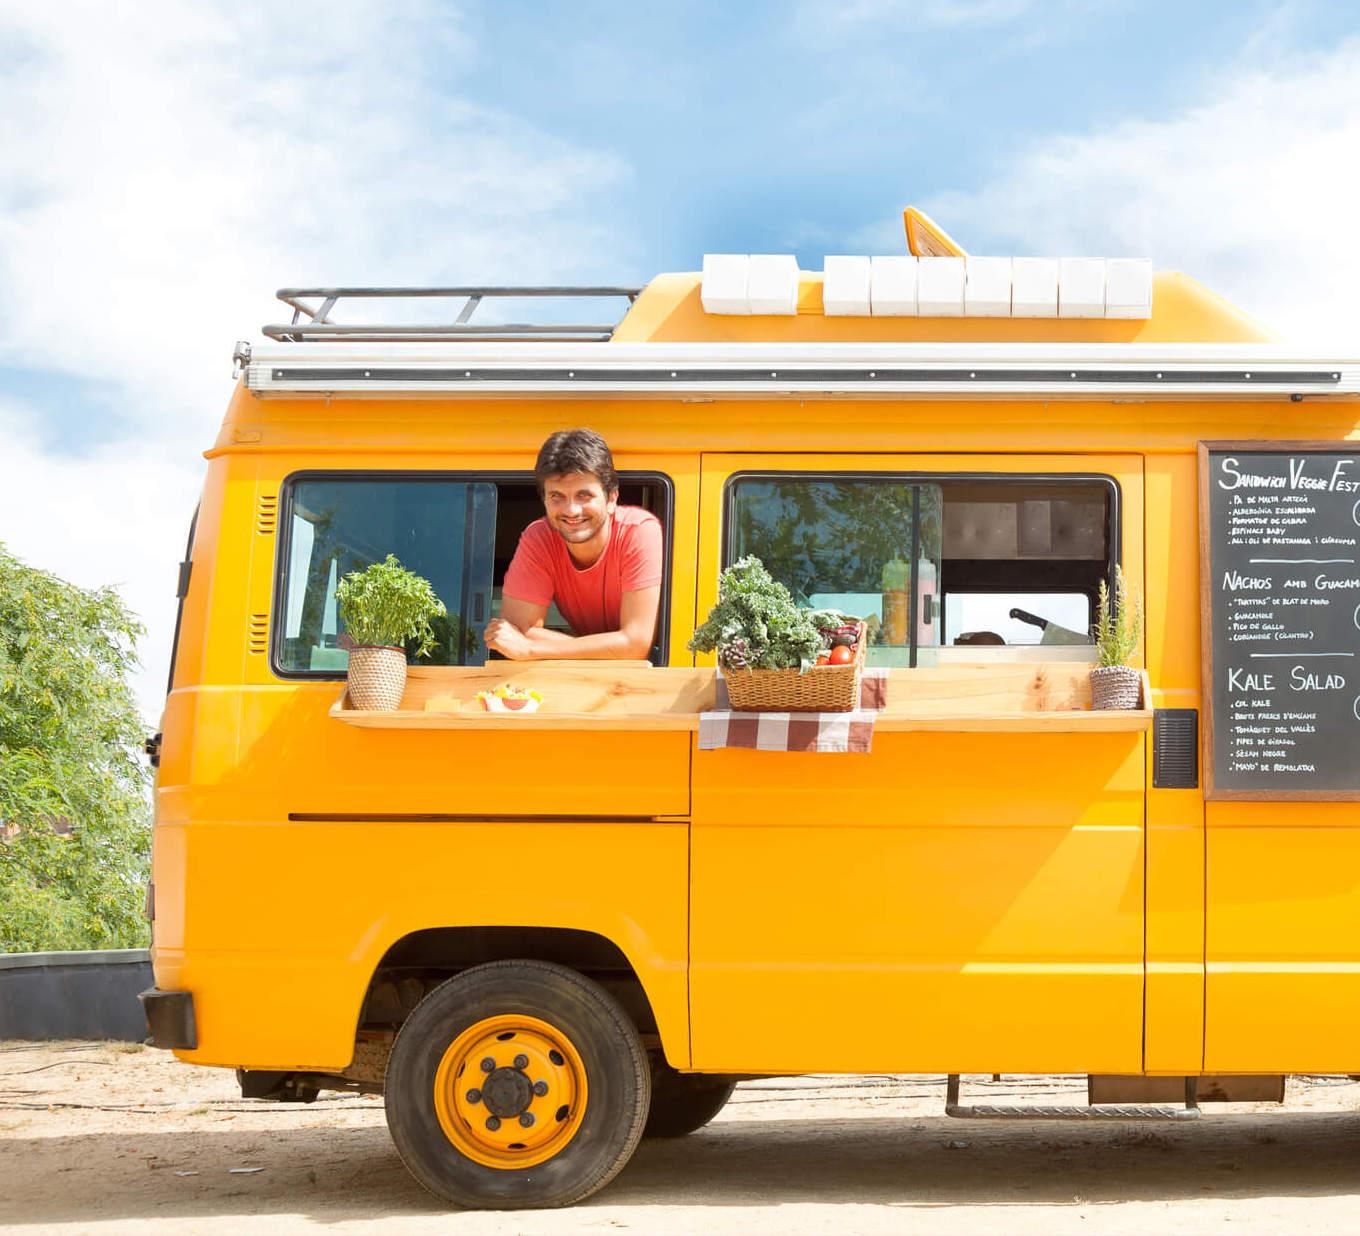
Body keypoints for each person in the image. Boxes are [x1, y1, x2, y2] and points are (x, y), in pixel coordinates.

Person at [484, 429, 662, 660]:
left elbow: (636, 646)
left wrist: (532, 649)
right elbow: (512, 634)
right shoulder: (539, 537)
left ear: (611, 499)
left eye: (584, 496)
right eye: (557, 497)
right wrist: (609, 648)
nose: (571, 511)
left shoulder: (639, 531)